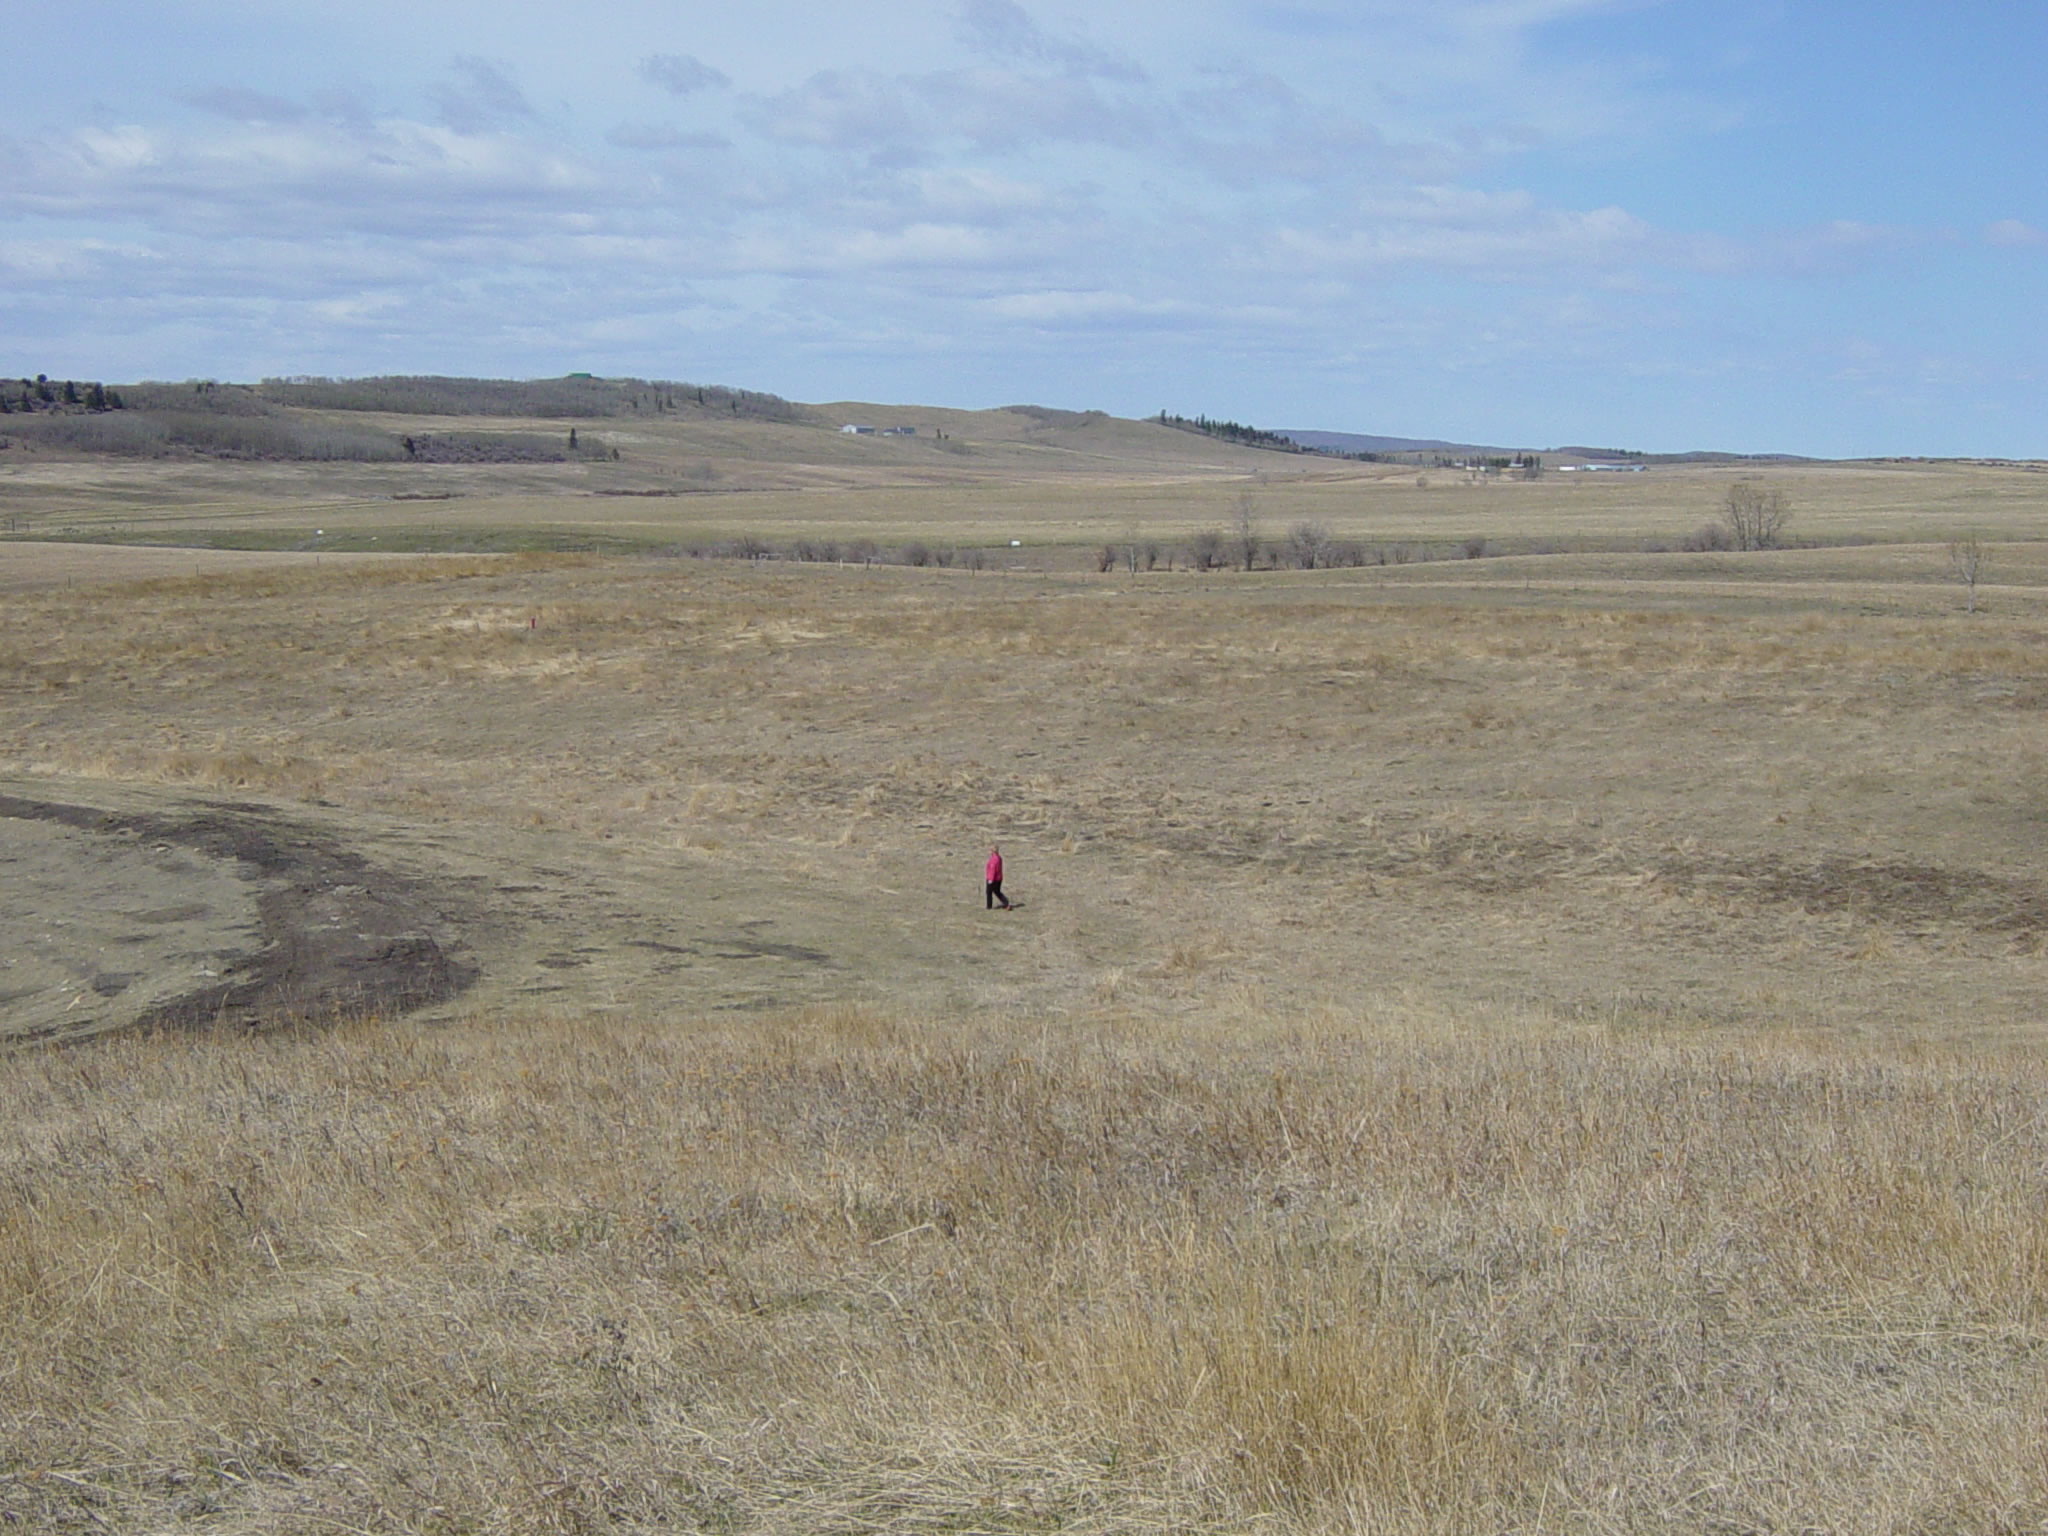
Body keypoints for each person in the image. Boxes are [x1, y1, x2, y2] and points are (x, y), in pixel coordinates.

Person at [985, 845, 1012, 910]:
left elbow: (993, 870)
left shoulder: (994, 859)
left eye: (990, 850)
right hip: (998, 878)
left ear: (993, 851)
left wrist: (990, 879)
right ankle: (1006, 903)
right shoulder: (999, 858)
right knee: (997, 892)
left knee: (989, 892)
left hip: (993, 879)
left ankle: (989, 906)